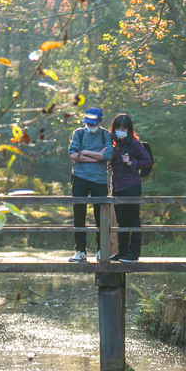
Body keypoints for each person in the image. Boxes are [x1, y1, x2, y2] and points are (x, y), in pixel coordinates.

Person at [68, 107, 113, 262]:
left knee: (101, 216)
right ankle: (80, 250)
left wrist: (85, 153)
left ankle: (101, 250)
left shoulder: (106, 134)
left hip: (99, 180)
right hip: (79, 178)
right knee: (79, 215)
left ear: (101, 121)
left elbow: (108, 155)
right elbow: (73, 154)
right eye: (89, 124)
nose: (91, 126)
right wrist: (97, 157)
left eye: (94, 124)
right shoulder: (78, 133)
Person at [108, 113, 152, 262]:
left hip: (131, 185)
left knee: (133, 220)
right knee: (122, 221)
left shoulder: (134, 143)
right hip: (117, 186)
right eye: (118, 128)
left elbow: (147, 161)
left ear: (128, 129)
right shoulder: (114, 144)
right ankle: (123, 252)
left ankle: (134, 254)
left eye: (124, 128)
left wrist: (131, 163)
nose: (121, 130)